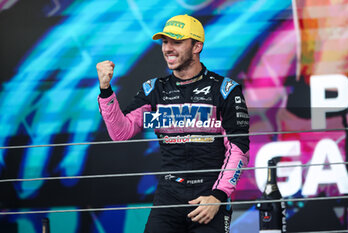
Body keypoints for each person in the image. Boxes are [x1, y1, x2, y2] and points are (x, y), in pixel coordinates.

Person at [96, 14, 250, 233]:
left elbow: (238, 149)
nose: (167, 48)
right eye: (165, 42)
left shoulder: (225, 90)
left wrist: (218, 196)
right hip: (169, 193)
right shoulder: (153, 89)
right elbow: (121, 132)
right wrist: (105, 90)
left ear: (197, 46)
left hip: (208, 192)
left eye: (176, 42)